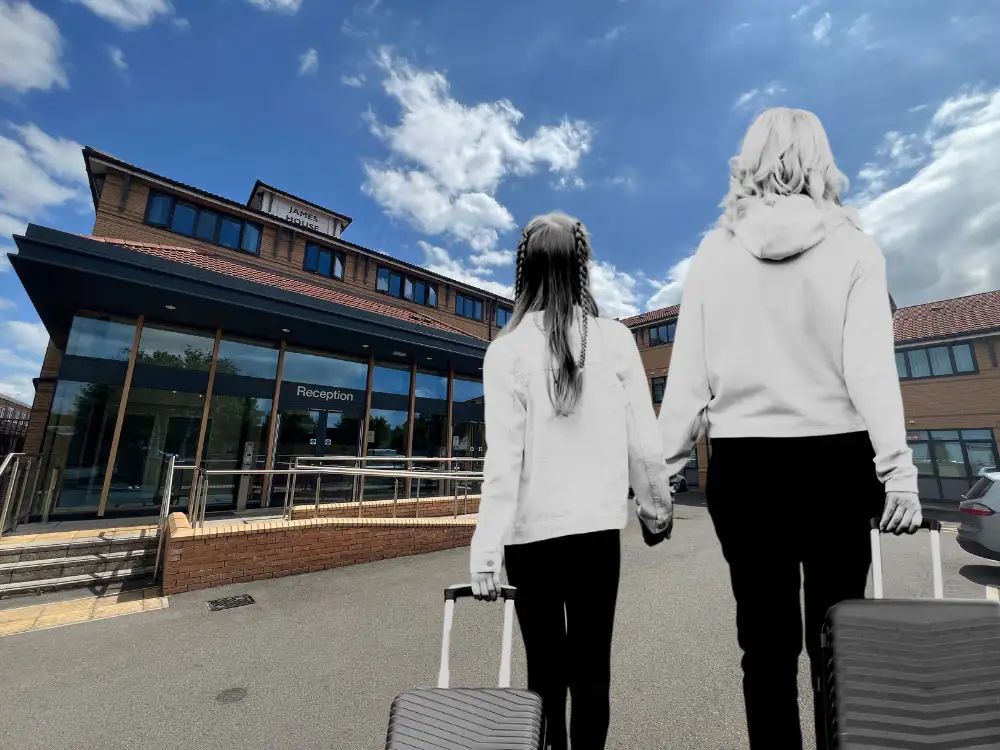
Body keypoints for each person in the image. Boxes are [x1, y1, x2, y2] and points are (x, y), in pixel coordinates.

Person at [656, 108, 922, 750]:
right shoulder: (857, 247)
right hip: (837, 463)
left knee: (764, 651)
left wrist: (661, 475)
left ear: (750, 159)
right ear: (820, 158)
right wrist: (899, 474)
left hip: (746, 469)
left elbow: (687, 375)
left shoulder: (714, 253)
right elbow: (870, 373)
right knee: (839, 644)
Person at [469, 212, 674, 750]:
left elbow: (503, 462)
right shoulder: (616, 340)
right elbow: (644, 446)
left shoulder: (504, 350)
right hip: (596, 535)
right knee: (591, 670)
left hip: (529, 539)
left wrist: (486, 551)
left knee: (544, 673)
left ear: (524, 271)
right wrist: (656, 512)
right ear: (582, 266)